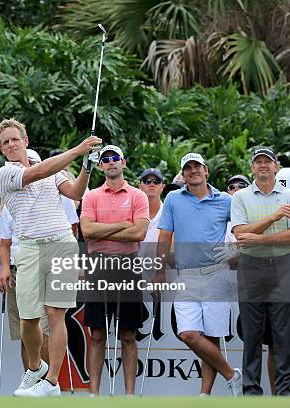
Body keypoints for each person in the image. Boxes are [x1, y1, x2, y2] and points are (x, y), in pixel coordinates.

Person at [0, 118, 101, 397]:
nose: (11, 145)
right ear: (2, 149)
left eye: (15, 139)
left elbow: (76, 192)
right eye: (5, 142)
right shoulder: (5, 175)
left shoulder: (55, 173)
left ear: (25, 141)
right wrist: (78, 150)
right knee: (29, 320)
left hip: (61, 245)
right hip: (28, 249)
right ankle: (35, 368)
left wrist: (87, 168)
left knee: (56, 315)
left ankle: (52, 381)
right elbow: (37, 173)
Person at [157, 152, 242, 396]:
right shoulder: (173, 198)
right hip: (186, 276)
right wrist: (160, 271)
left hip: (217, 275)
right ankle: (230, 374)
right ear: (183, 174)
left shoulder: (226, 200)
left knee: (212, 337)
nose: (193, 171)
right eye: (188, 168)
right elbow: (164, 238)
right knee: (189, 334)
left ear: (206, 171)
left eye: (197, 167)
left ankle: (204, 395)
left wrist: (234, 251)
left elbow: (242, 230)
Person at [80, 145, 150, 396]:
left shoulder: (138, 196)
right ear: (100, 166)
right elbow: (87, 231)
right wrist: (122, 224)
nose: (110, 162)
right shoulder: (91, 196)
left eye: (115, 158)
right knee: (97, 333)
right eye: (105, 159)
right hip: (98, 265)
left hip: (128, 265)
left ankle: (129, 396)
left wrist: (103, 228)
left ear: (124, 162)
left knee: (128, 334)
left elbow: (139, 232)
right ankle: (94, 395)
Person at [230, 147, 290, 396]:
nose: (263, 165)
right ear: (252, 168)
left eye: (268, 161)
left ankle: (284, 393)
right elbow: (241, 234)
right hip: (251, 269)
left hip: (283, 267)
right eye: (258, 162)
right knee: (251, 336)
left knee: (283, 336)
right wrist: (275, 217)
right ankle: (251, 393)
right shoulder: (240, 197)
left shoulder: (289, 195)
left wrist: (260, 239)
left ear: (276, 166)